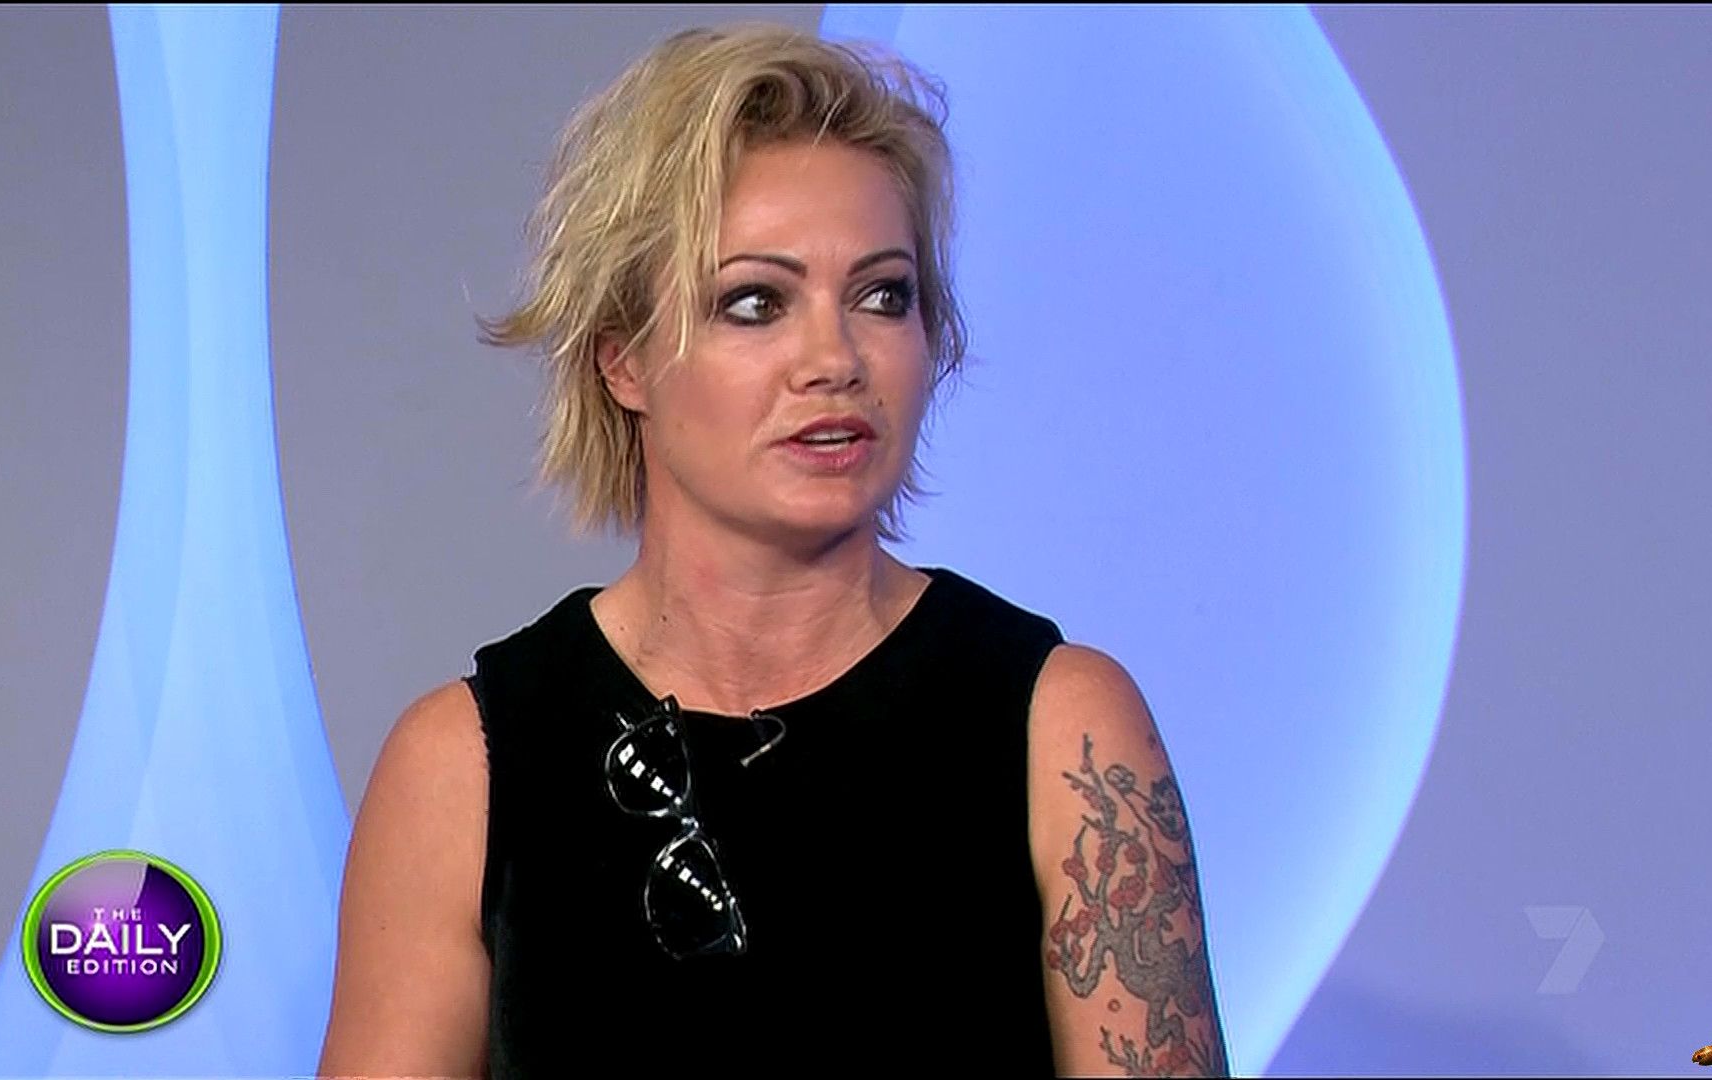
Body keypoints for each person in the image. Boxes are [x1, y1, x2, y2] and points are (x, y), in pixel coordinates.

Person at [316, 22, 1229, 1079]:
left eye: (883, 295)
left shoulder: (1062, 728)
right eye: (755, 303)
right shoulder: (464, 764)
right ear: (623, 360)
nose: (834, 359)